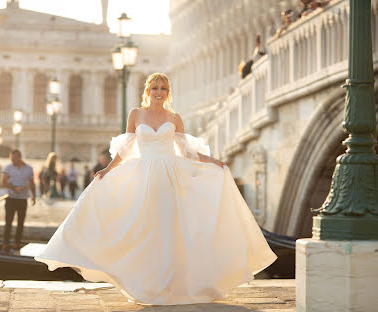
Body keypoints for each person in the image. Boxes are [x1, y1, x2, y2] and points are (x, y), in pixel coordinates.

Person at [35, 73, 276, 305]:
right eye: (155, 88)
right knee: (143, 229)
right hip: (144, 176)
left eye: (163, 89)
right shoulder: (136, 114)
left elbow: (186, 152)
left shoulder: (174, 118)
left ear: (168, 93)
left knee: (169, 231)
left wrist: (214, 162)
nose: (159, 93)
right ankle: (147, 285)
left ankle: (170, 285)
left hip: (170, 177)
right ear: (147, 91)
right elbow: (126, 149)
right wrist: (107, 170)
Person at [1, 149, 36, 252]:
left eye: (13, 158)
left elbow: (32, 183)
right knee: (8, 222)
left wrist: (34, 196)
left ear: (19, 158)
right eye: (11, 158)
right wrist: (14, 188)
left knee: (20, 223)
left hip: (22, 200)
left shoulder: (29, 169)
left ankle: (17, 243)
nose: (12, 160)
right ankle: (5, 243)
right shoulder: (8, 168)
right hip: (10, 199)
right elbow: (3, 182)